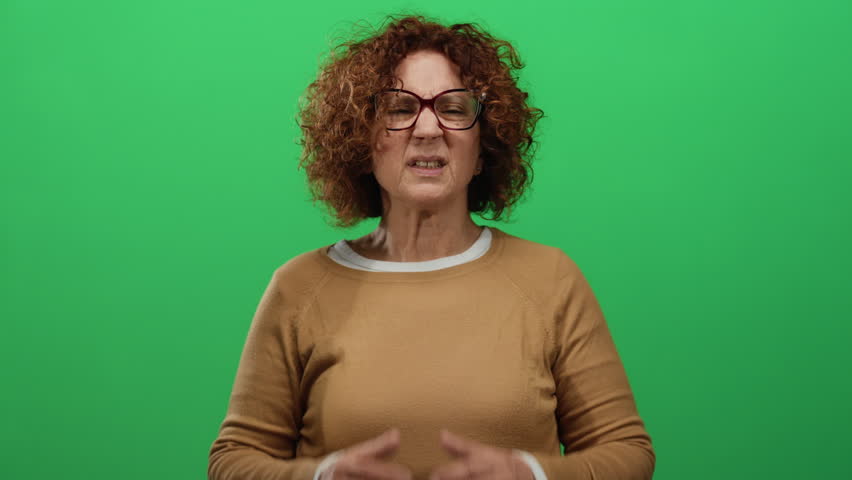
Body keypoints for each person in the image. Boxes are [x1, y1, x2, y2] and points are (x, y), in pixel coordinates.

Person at [208, 15, 655, 480]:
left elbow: (628, 453)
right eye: (400, 108)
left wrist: (532, 474)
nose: (427, 129)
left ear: (485, 146)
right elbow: (233, 461)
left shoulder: (551, 279)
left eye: (455, 108)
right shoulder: (298, 289)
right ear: (362, 139)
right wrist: (321, 477)